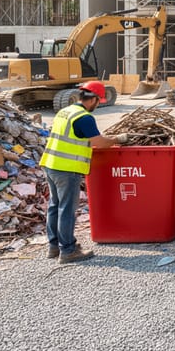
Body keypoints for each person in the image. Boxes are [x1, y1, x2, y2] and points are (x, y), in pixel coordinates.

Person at [40, 81, 128, 264]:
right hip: (67, 169)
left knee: (54, 206)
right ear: (93, 99)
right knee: (67, 209)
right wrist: (118, 139)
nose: (98, 105)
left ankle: (54, 247)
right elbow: (99, 142)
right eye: (98, 101)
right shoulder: (84, 118)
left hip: (50, 164)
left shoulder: (65, 111)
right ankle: (68, 251)